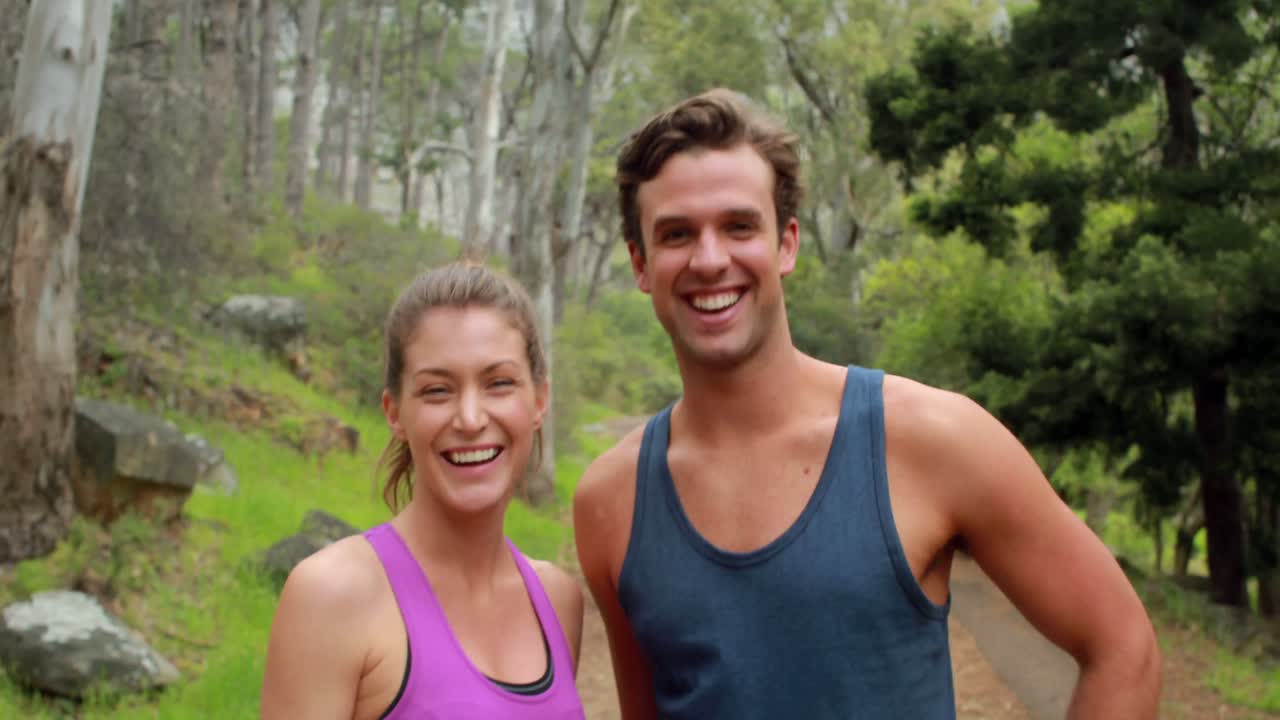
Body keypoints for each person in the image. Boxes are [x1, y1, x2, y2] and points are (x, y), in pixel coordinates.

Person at [573, 89, 1160, 719]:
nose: (711, 260)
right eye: (677, 234)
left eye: (739, 226)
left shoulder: (934, 438)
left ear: (786, 244)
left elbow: (1123, 647)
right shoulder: (611, 502)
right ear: (640, 263)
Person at [262, 262, 586, 719]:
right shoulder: (332, 597)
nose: (470, 419)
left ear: (538, 401)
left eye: (498, 384)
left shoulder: (557, 601)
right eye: (437, 390)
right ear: (394, 413)